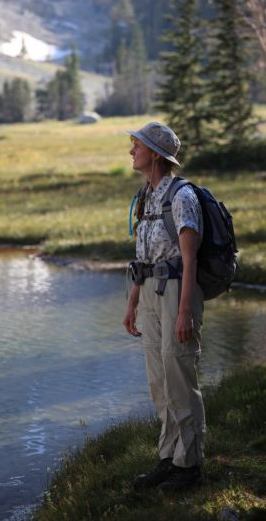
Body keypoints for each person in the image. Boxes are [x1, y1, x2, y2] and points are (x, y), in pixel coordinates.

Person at [123, 121, 205, 492]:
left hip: (177, 292)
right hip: (150, 295)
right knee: (159, 380)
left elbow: (190, 260)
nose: (131, 151)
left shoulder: (182, 196)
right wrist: (132, 304)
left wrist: (186, 310)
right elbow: (141, 258)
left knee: (179, 376)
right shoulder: (145, 196)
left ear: (155, 153)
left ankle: (190, 466)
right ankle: (168, 458)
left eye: (136, 145)